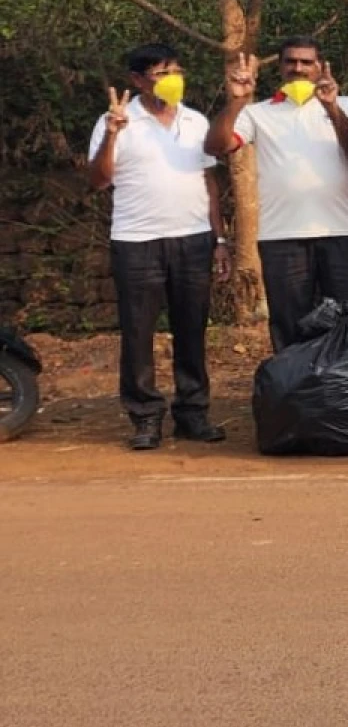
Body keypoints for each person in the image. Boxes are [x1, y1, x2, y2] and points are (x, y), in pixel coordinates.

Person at [89, 45, 229, 449]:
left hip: (193, 239)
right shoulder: (115, 121)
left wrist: (219, 239)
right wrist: (113, 135)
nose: (172, 79)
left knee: (192, 329)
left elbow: (209, 184)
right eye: (161, 72)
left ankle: (193, 413)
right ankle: (145, 417)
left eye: (177, 71)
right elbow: (98, 181)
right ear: (136, 80)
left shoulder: (196, 121)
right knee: (138, 333)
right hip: (137, 241)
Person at [204, 37, 348, 352]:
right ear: (280, 67)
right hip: (281, 237)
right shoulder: (257, 113)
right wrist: (238, 100)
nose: (298, 68)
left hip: (342, 232)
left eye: (307, 62)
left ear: (319, 66)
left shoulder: (346, 105)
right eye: (291, 62)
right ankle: (294, 397)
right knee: (289, 325)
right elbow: (215, 146)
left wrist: (330, 105)